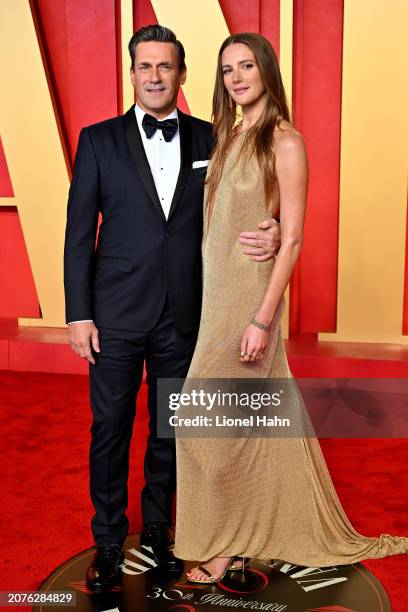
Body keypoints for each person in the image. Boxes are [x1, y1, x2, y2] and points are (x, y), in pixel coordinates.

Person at [173, 32, 408, 583]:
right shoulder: (230, 135)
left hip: (249, 299)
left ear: (267, 71)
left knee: (200, 416)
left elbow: (296, 236)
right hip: (217, 296)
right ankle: (241, 535)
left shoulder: (285, 140)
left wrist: (262, 317)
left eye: (247, 66)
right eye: (228, 69)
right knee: (241, 419)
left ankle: (226, 545)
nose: (236, 78)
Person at [63, 25, 280, 592]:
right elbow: (78, 233)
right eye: (145, 66)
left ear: (182, 75)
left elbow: (250, 197)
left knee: (171, 429)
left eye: (166, 66)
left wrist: (275, 226)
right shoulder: (98, 140)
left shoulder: (216, 139)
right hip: (112, 314)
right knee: (110, 427)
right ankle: (110, 539)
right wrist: (77, 313)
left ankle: (159, 531)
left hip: (187, 315)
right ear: (131, 73)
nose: (155, 76)